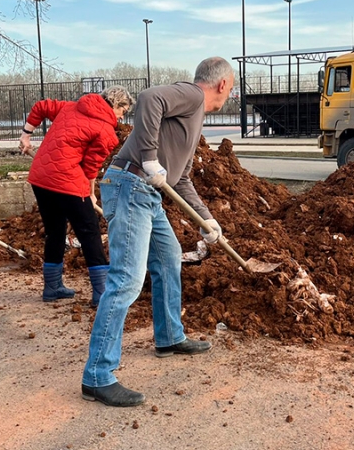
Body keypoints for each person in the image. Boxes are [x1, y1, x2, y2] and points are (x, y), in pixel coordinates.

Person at [81, 57, 234, 408]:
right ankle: (97, 376)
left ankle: (168, 337)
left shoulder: (193, 122)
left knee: (167, 261)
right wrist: (149, 157)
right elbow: (150, 97)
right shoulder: (193, 96)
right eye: (231, 88)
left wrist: (206, 220)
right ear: (223, 84)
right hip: (131, 184)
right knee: (127, 280)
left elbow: (180, 180)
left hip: (147, 191)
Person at [18, 86, 133, 307]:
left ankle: (52, 288)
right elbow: (91, 167)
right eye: (123, 110)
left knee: (55, 231)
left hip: (41, 178)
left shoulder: (70, 107)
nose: (122, 116)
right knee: (89, 232)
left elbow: (41, 107)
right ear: (115, 105)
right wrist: (89, 194)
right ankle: (102, 292)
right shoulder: (106, 132)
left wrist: (26, 135)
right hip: (67, 182)